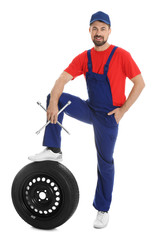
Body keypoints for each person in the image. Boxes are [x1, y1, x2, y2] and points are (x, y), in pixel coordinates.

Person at [29, 11, 145, 229]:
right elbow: (62, 78)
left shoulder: (122, 55)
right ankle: (53, 148)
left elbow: (140, 83)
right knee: (55, 96)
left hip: (109, 116)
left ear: (109, 31)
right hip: (90, 108)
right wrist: (53, 103)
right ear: (89, 31)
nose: (98, 32)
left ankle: (102, 209)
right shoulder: (85, 57)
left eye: (103, 28)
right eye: (95, 28)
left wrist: (123, 110)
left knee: (105, 161)